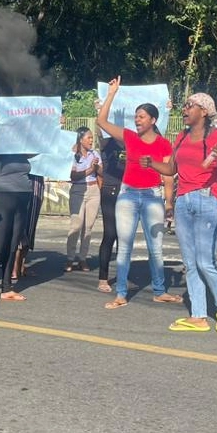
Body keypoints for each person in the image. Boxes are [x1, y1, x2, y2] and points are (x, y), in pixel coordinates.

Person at [95, 77, 179, 309]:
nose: (137, 120)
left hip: (153, 197)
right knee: (125, 245)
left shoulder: (163, 144)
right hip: (128, 195)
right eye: (136, 116)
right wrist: (112, 93)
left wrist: (169, 203)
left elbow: (169, 174)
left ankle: (159, 290)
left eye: (141, 117)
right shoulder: (130, 137)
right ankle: (121, 293)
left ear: (153, 120)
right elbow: (101, 120)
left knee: (156, 247)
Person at [163, 94, 217, 332]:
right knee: (190, 263)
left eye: (189, 106)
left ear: (204, 111)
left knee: (206, 262)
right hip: (184, 201)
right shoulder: (181, 137)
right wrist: (151, 164)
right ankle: (199, 316)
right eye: (184, 106)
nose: (184, 109)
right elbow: (172, 168)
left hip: (208, 200)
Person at [0, 111, 34, 306]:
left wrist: (55, 127)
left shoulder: (21, 150)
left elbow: (42, 147)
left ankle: (6, 288)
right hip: (0, 198)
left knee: (13, 244)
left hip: (23, 196)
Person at [66, 127, 102, 271]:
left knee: (88, 227)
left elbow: (101, 172)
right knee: (76, 225)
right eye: (88, 138)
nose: (91, 140)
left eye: (92, 138)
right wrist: (90, 170)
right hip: (78, 190)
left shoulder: (95, 154)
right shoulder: (74, 155)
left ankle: (83, 258)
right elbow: (73, 175)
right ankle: (69, 258)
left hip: (94, 190)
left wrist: (96, 167)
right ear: (81, 139)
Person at [95, 127, 126, 294]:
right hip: (110, 190)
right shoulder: (108, 143)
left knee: (124, 236)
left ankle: (122, 277)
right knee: (110, 234)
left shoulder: (131, 142)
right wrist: (101, 109)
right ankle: (103, 278)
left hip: (128, 191)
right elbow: (100, 130)